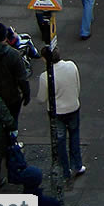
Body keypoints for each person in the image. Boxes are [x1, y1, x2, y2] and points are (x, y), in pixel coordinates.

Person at [38, 47, 84, 179]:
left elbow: (41, 98)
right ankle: (77, 164)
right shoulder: (71, 65)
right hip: (73, 106)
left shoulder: (45, 76)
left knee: (60, 140)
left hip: (57, 112)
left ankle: (65, 170)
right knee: (74, 136)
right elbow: (78, 86)